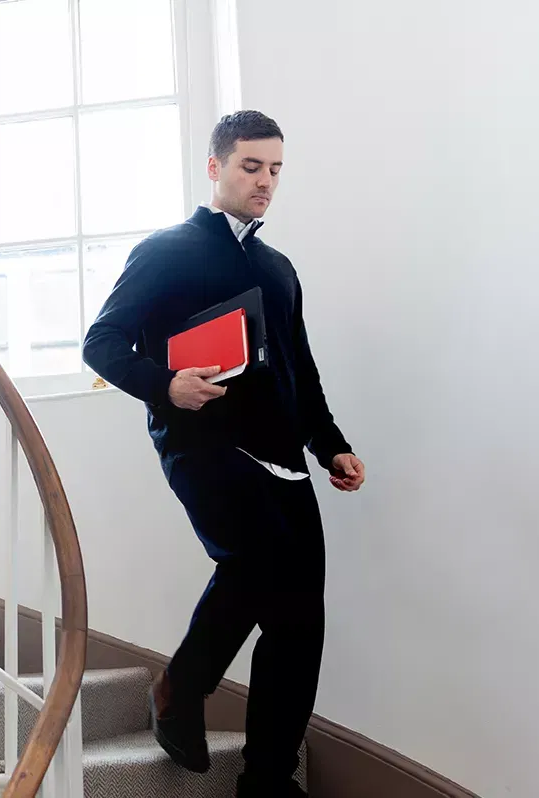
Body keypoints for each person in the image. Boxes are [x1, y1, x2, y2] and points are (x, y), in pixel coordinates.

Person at [81, 110, 365, 798]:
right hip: (202, 444)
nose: (265, 182)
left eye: (274, 170)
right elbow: (103, 342)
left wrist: (329, 444)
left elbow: (301, 365)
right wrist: (167, 385)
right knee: (254, 561)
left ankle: (268, 779)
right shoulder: (168, 250)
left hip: (284, 458)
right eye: (250, 167)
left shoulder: (277, 267)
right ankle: (180, 690)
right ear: (215, 167)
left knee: (300, 621)